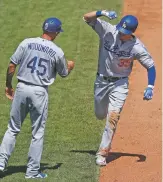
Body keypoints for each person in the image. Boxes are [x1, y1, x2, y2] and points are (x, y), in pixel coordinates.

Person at [0, 17, 74, 178]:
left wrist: (8, 85)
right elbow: (64, 73)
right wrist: (70, 66)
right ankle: (32, 171)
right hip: (39, 92)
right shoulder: (57, 51)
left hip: (21, 88)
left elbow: (12, 65)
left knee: (12, 129)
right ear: (55, 32)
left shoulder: (26, 42)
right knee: (37, 133)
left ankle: (0, 163)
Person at [83, 10, 156, 166]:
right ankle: (103, 119)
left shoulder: (137, 47)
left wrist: (150, 86)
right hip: (101, 82)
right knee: (100, 114)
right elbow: (86, 17)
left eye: (124, 32)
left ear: (131, 33)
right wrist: (101, 12)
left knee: (113, 117)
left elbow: (151, 67)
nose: (120, 33)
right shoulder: (108, 30)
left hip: (120, 84)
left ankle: (102, 153)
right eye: (120, 30)